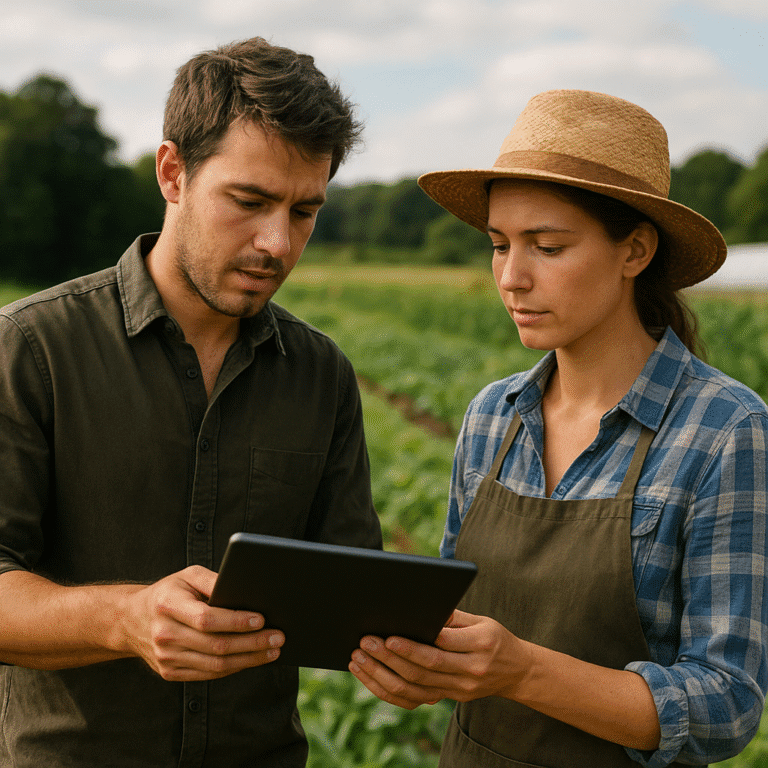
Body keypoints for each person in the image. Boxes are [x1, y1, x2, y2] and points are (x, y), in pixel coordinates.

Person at [349, 89, 768, 767]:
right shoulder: (493, 416)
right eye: (498, 245)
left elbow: (726, 706)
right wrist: (417, 661)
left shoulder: (724, 431)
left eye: (546, 246)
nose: (512, 277)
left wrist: (520, 670)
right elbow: (455, 618)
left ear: (634, 251)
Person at [0, 37, 381, 767]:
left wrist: (402, 640)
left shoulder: (321, 373)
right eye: (250, 201)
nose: (277, 242)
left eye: (305, 211)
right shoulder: (31, 348)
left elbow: (347, 585)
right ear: (173, 173)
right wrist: (124, 619)